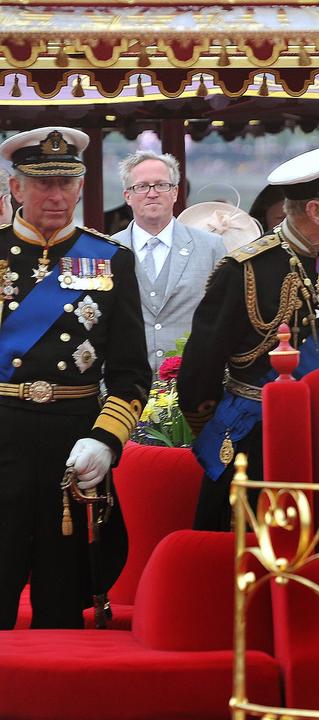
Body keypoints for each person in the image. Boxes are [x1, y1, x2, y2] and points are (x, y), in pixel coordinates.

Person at [178, 141, 319, 531]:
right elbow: (199, 373)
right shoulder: (245, 269)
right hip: (256, 439)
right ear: (315, 211)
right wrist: (220, 431)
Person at [0, 127, 150, 629]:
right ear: (15, 188)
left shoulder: (112, 260)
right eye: (43, 184)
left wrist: (106, 441)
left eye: (68, 182)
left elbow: (131, 374)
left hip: (73, 439)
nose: (57, 196)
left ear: (82, 186)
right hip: (2, 434)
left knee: (62, 599)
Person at [112, 151, 226, 377]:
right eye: (142, 186)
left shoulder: (212, 247)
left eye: (161, 185)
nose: (152, 194)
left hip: (193, 385)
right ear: (127, 196)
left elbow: (224, 320)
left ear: (175, 192)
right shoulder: (109, 251)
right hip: (126, 390)